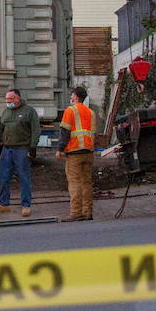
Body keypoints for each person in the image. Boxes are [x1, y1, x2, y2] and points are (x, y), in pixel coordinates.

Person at [0, 88, 40, 217]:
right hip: (7, 149)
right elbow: (0, 128)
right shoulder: (6, 112)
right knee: (3, 177)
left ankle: (26, 205)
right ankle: (3, 204)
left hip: (22, 149)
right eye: (6, 99)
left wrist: (33, 147)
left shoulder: (29, 111)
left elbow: (35, 130)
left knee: (24, 177)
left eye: (10, 99)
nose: (7, 102)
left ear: (17, 98)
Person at [56, 86, 96, 221]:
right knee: (86, 183)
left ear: (76, 97)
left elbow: (65, 132)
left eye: (72, 95)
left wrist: (60, 149)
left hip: (74, 152)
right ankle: (87, 212)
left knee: (74, 183)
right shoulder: (91, 112)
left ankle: (76, 212)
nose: (71, 97)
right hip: (89, 152)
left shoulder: (70, 110)